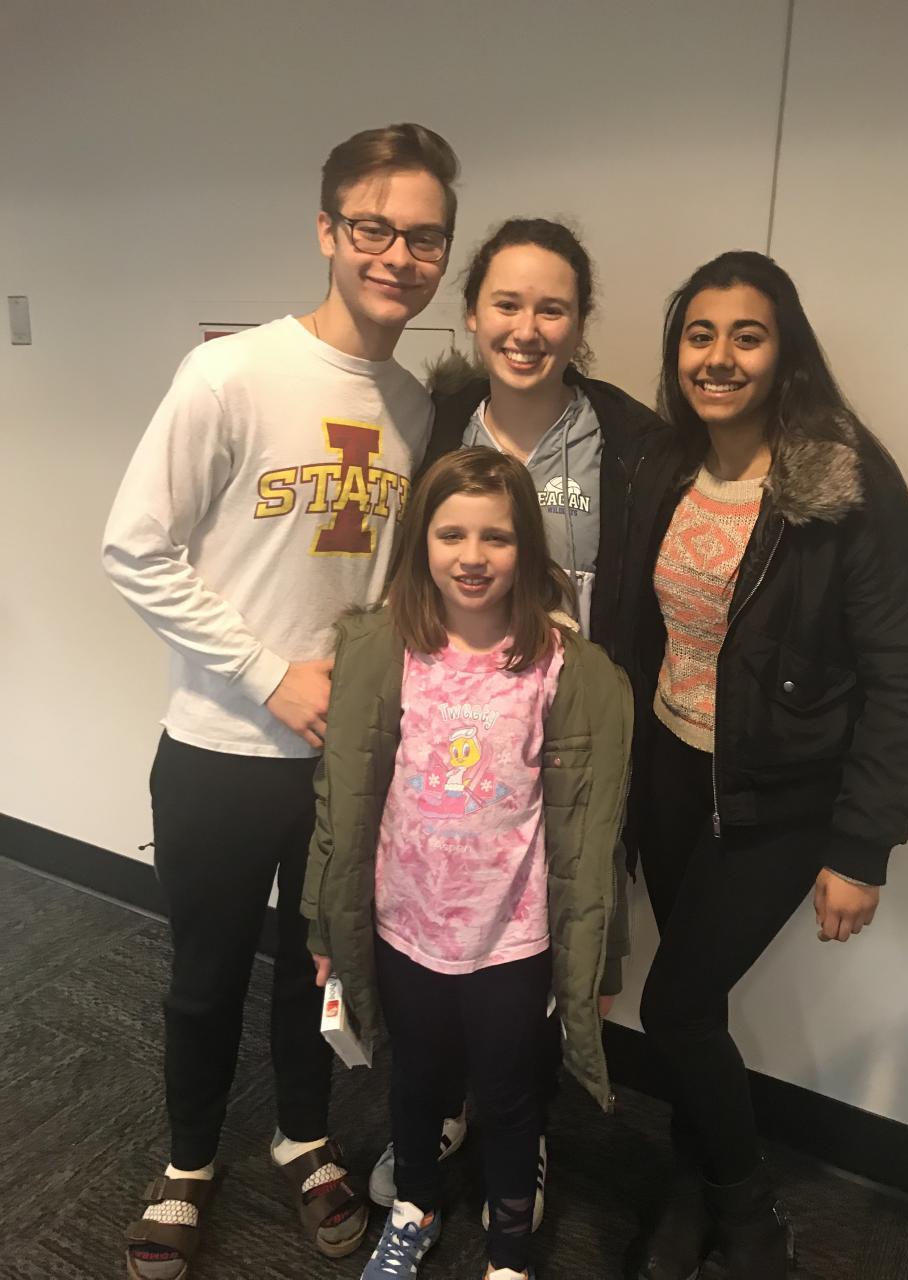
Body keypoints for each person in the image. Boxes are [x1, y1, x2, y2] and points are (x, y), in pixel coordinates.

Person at [102, 121, 460, 1278]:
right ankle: (186, 1163)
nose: (398, 254)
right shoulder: (230, 374)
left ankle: (303, 1137)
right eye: (373, 227)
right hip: (218, 745)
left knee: (325, 970)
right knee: (204, 976)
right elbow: (135, 548)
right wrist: (269, 672)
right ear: (326, 230)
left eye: (424, 236)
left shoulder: (414, 408)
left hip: (342, 767)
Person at [622, 250, 908, 1280]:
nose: (718, 357)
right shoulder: (669, 463)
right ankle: (690, 1191)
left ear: (785, 352)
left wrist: (861, 847)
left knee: (672, 1007)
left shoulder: (843, 484)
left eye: (746, 336)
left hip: (778, 798)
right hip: (671, 774)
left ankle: (749, 1212)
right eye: (699, 334)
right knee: (695, 1003)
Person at [366, 215, 662, 1218]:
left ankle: (519, 1132)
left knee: (537, 955)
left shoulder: (632, 444)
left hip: (562, 754)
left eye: (552, 308)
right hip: (456, 747)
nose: (527, 328)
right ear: (471, 312)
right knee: (443, 949)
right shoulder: (436, 423)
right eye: (506, 303)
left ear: (580, 322)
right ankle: (447, 1107)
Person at [302, 448, 633, 1280]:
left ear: (528, 549)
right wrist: (322, 922)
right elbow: (339, 800)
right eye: (452, 535)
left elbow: (595, 833)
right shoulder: (382, 650)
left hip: (511, 940)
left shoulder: (564, 668)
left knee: (512, 1096)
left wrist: (602, 958)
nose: (473, 556)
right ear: (422, 541)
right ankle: (412, 1212)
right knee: (415, 1083)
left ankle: (509, 1252)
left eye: (497, 537)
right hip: (404, 928)